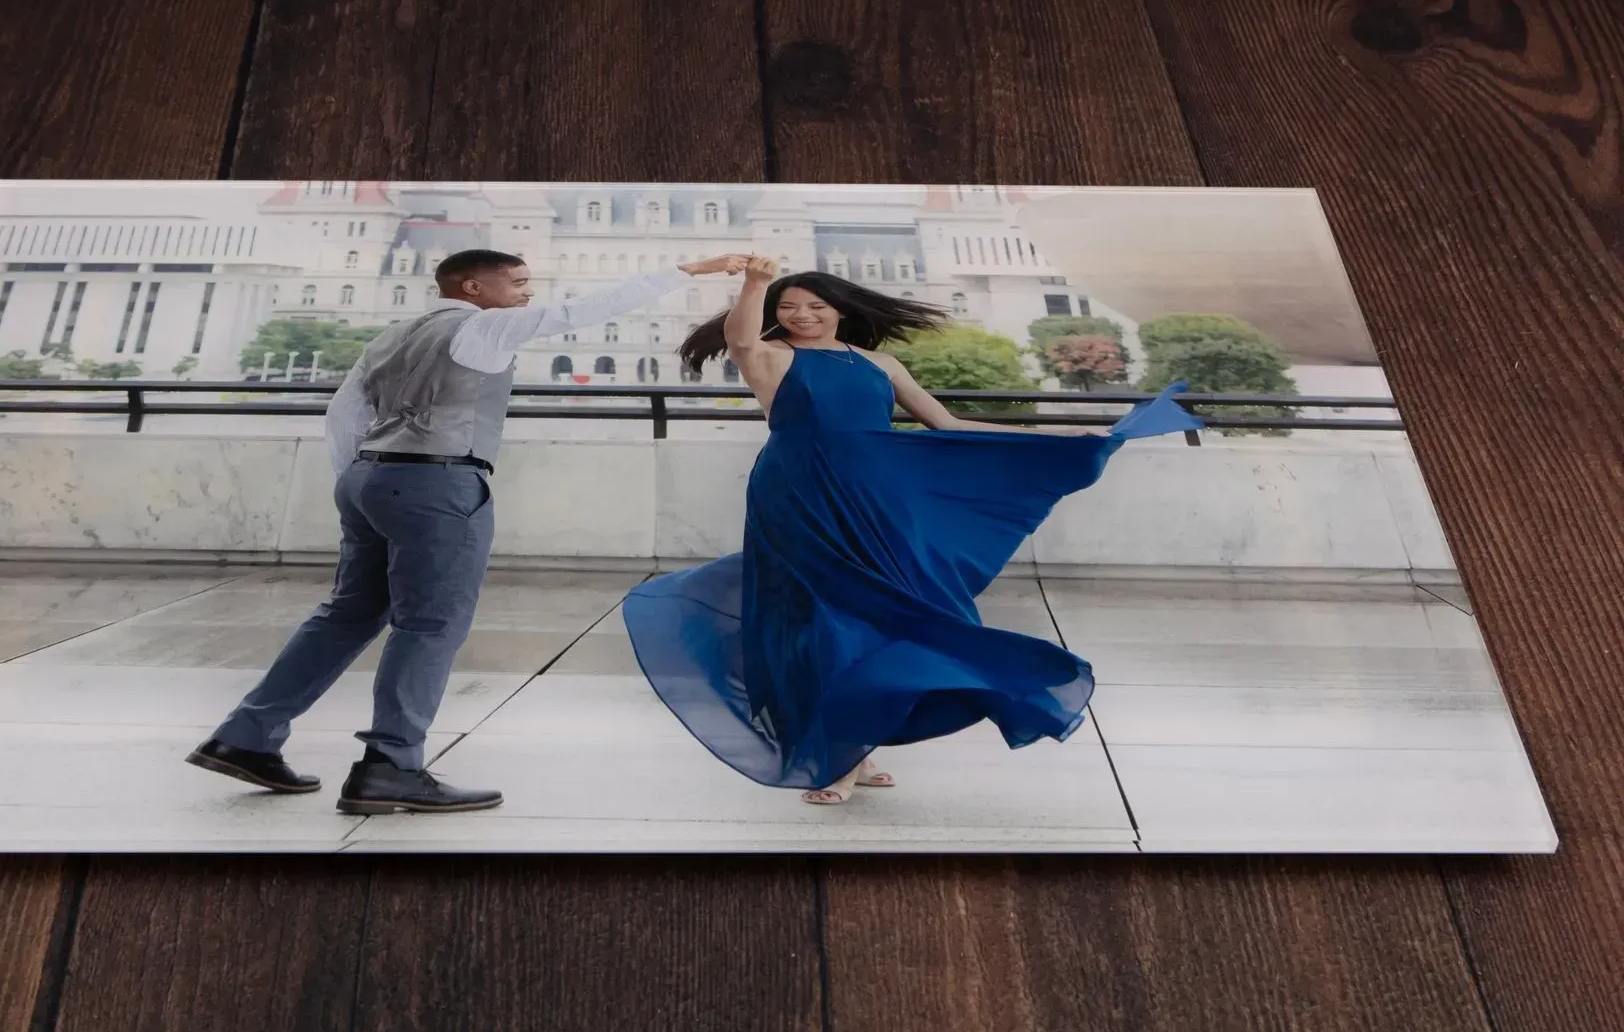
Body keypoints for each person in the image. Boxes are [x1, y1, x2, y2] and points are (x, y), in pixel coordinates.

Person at [622, 257, 1204, 804]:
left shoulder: (880, 365)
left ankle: (855, 742)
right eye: (789, 306)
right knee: (815, 618)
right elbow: (740, 339)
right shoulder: (771, 355)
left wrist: (1055, 440)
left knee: (880, 611)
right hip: (798, 495)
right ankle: (841, 752)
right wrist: (754, 283)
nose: (802, 315)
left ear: (840, 309)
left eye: (816, 306)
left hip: (877, 499)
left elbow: (947, 422)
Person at [190, 247, 750, 814]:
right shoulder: (483, 328)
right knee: (431, 623)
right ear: (474, 288)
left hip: (368, 477)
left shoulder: (392, 336)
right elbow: (584, 310)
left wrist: (365, 480)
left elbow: (345, 414)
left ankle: (246, 737)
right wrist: (688, 271)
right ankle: (391, 766)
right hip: (438, 481)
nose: (528, 293)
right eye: (518, 282)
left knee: (348, 613)